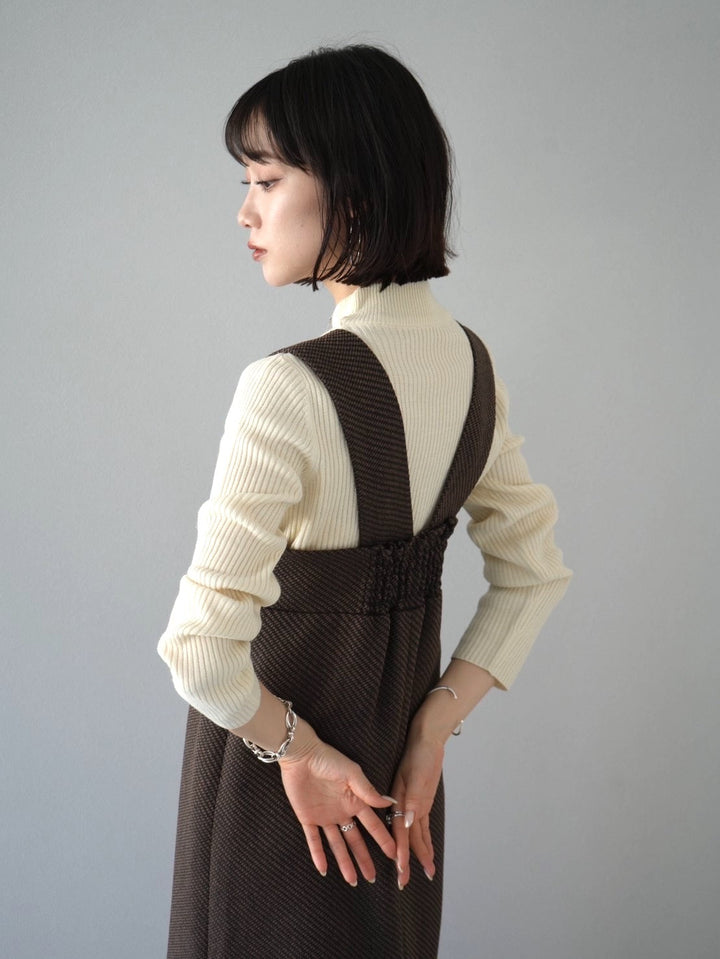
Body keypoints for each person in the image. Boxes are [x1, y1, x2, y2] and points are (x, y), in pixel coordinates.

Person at [158, 44, 571, 959]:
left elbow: (199, 649)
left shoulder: (286, 388)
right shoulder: (471, 367)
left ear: (352, 195)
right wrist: (433, 727)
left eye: (268, 180)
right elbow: (533, 574)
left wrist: (296, 750)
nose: (246, 211)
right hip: (398, 786)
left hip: (280, 793)